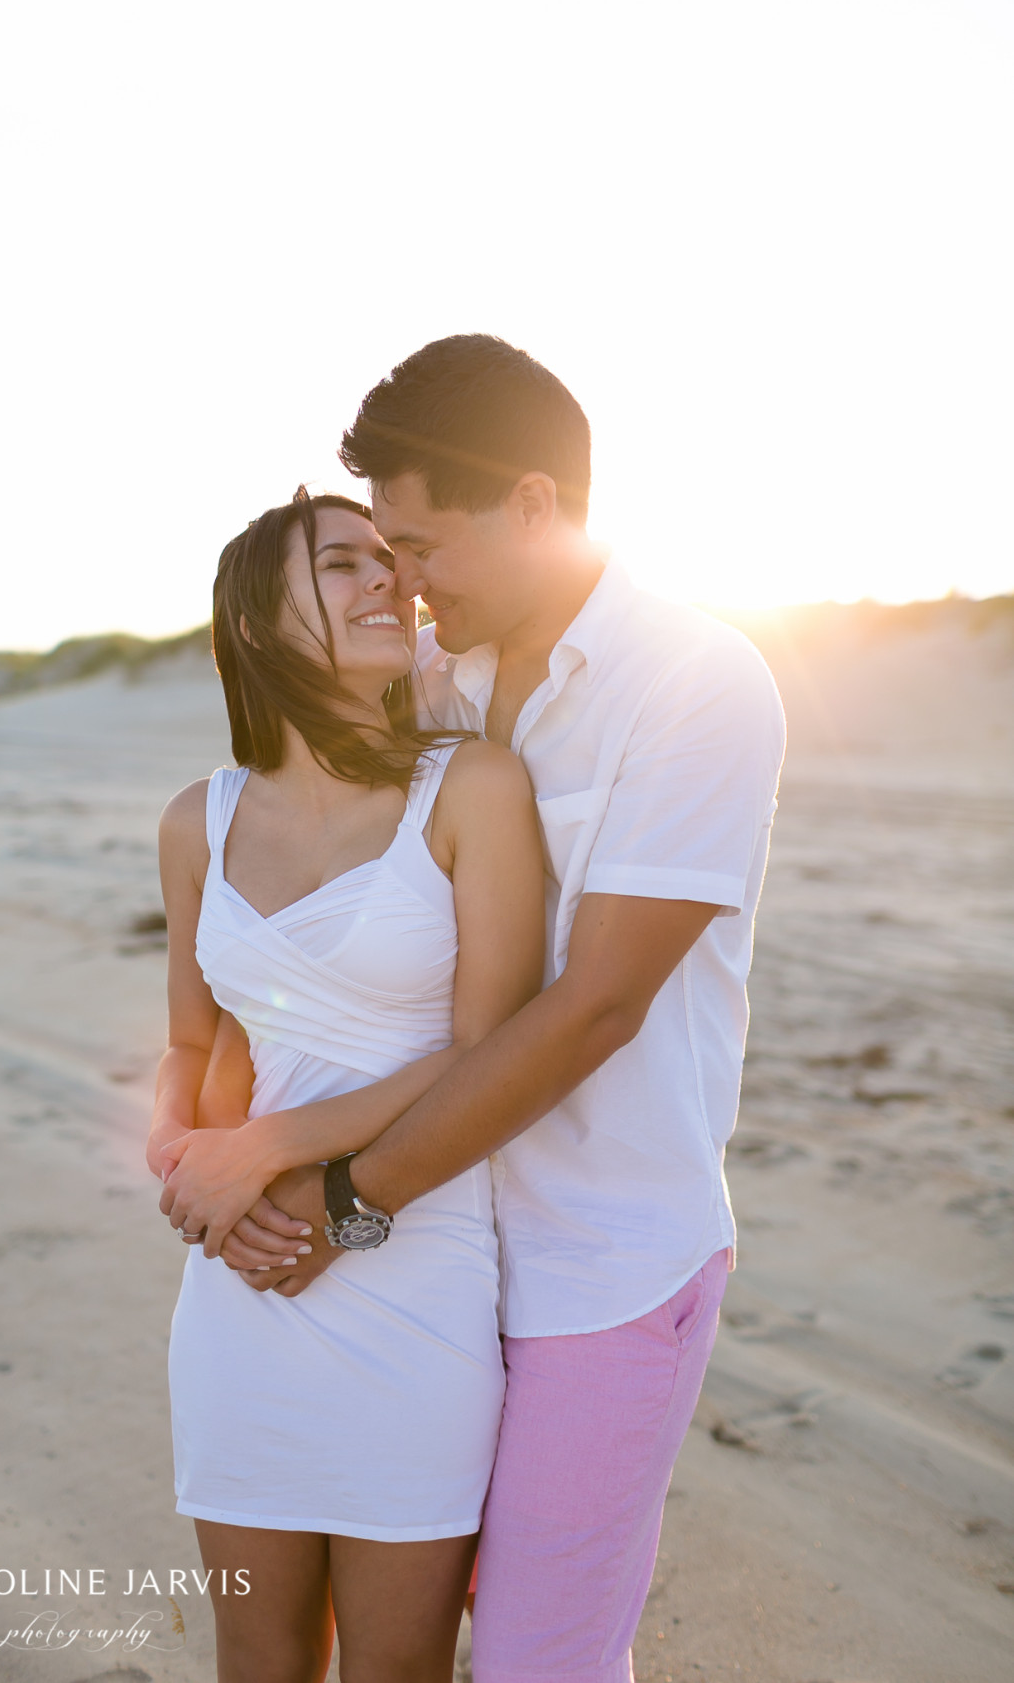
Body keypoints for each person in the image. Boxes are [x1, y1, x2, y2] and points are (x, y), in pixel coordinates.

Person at [165, 336, 787, 1683]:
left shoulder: (694, 680)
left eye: (418, 545)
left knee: (535, 1661)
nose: (402, 579)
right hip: (445, 1255)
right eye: (378, 553)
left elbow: (594, 1006)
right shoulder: (444, 687)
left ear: (532, 505)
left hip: (592, 1259)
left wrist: (336, 1199)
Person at [148, 485, 544, 1683]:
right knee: (257, 1659)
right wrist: (186, 1158)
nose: (388, 580)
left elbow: (489, 1049)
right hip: (243, 1286)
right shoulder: (198, 821)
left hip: (416, 1278)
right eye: (340, 564)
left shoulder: (471, 787)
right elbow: (192, 1047)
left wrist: (268, 1149)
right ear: (253, 621)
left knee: (397, 1666)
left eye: (388, 559)